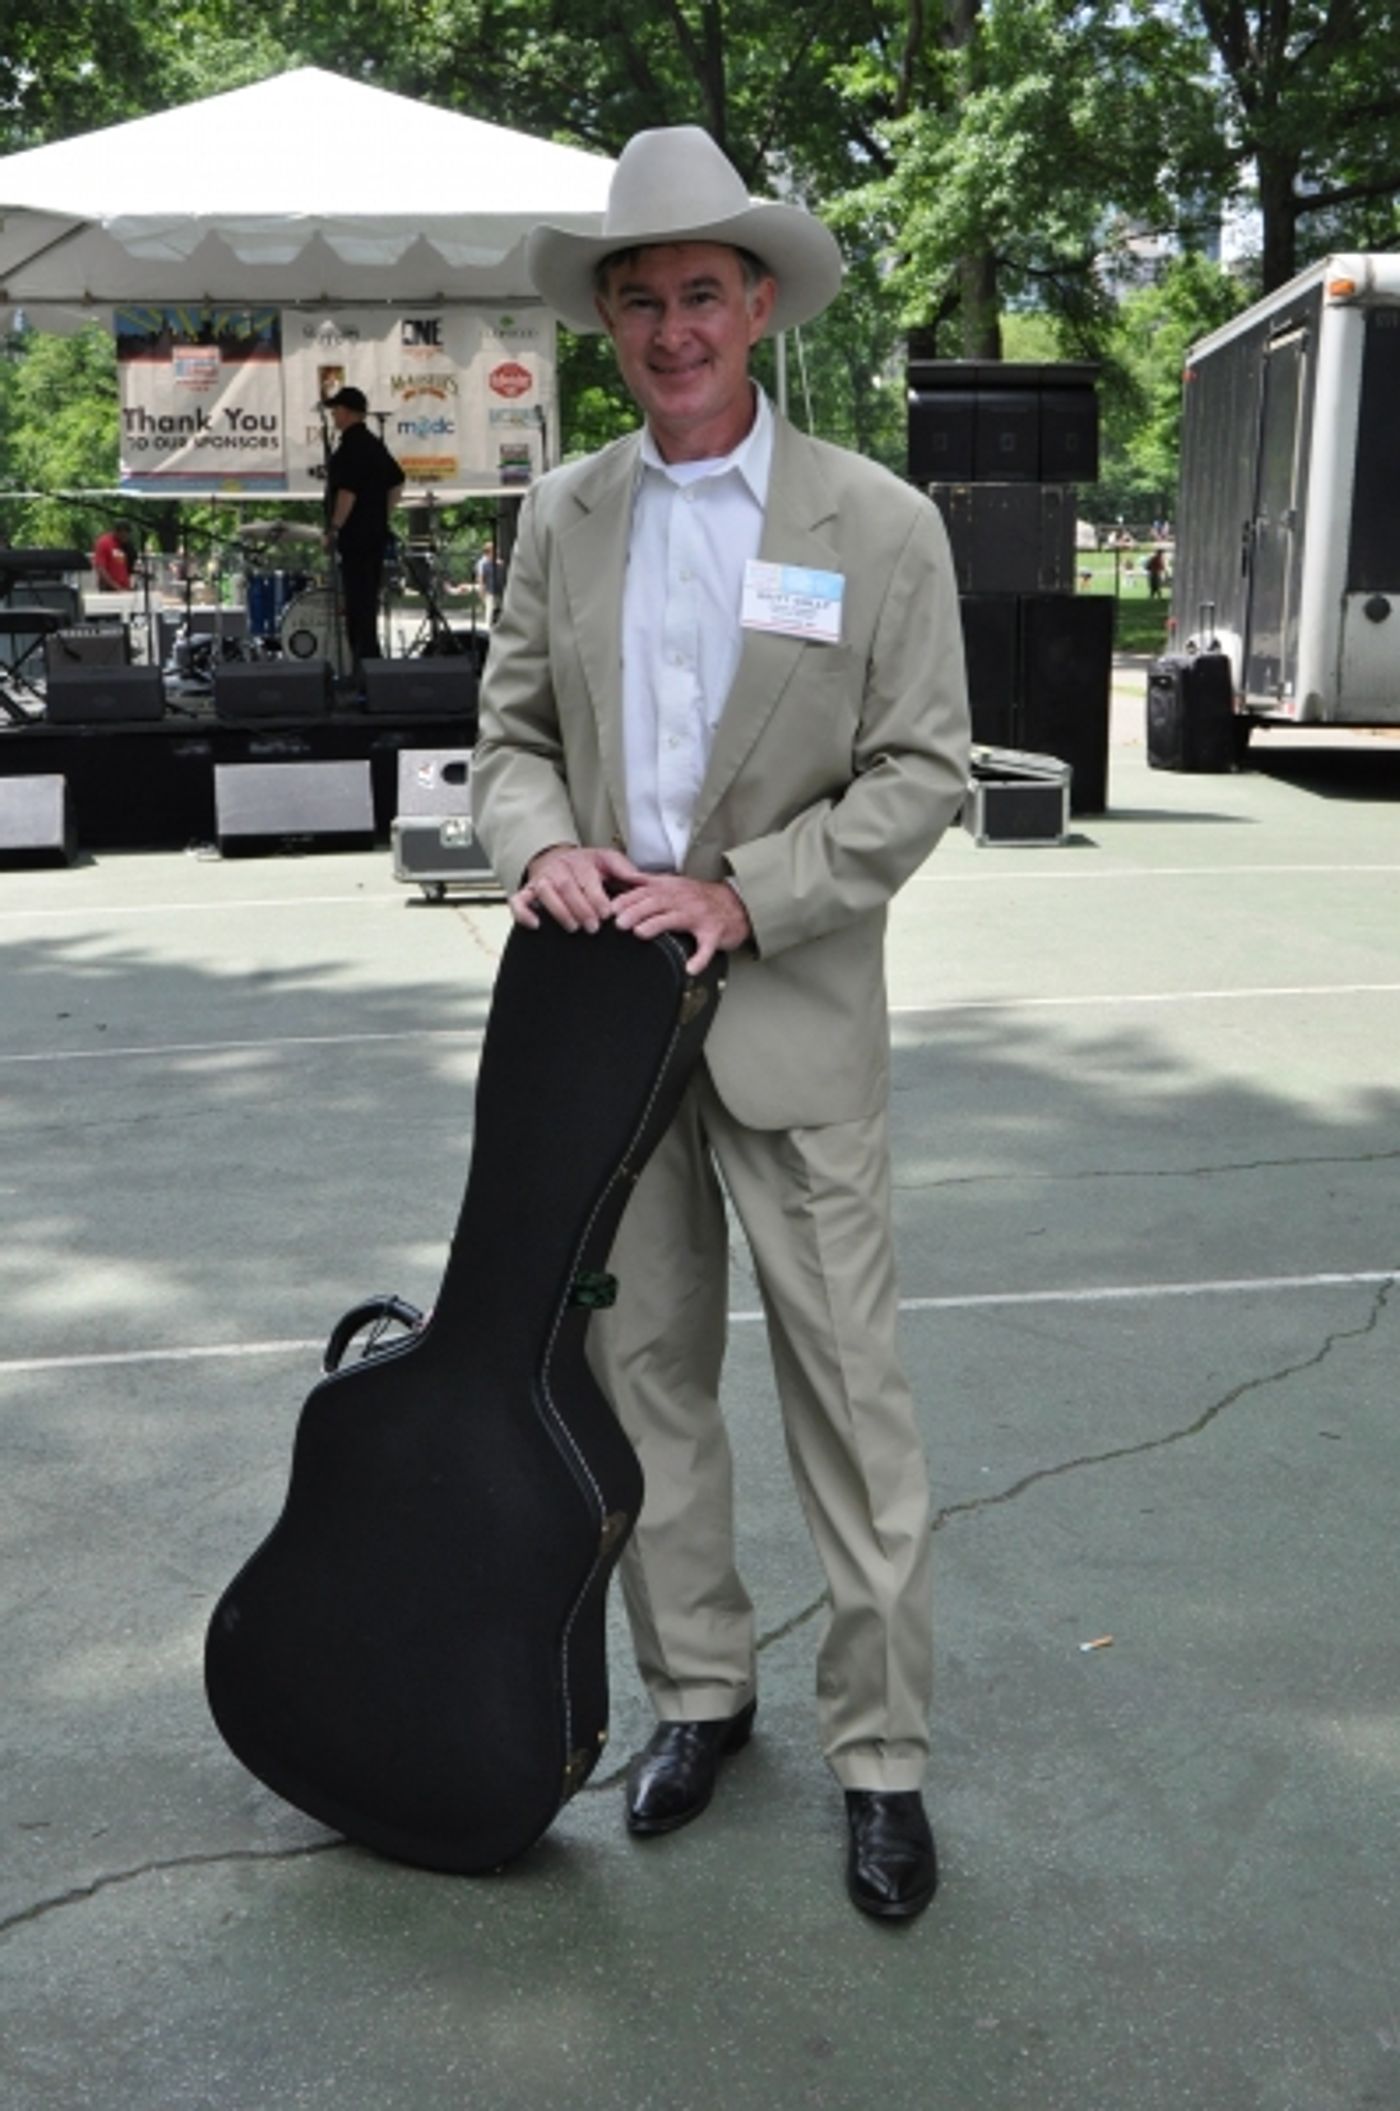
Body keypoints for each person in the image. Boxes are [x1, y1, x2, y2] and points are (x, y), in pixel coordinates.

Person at [471, 126, 970, 1921]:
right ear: (608, 321)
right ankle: (699, 1693)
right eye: (640, 298)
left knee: (849, 1396)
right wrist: (543, 851)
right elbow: (510, 739)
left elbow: (924, 776)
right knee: (644, 1379)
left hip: (791, 1023)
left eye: (702, 293)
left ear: (758, 305)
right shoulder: (563, 512)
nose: (673, 326)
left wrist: (749, 891)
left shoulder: (877, 523)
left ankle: (883, 1756)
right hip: (608, 1042)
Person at [322, 386, 404, 671]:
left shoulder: (351, 447)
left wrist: (334, 528)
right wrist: (382, 514)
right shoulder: (373, 443)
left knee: (357, 605)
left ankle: (364, 667)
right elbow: (397, 481)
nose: (333, 416)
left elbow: (348, 492)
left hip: (355, 535)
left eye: (336, 410)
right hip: (374, 533)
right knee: (367, 602)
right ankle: (368, 666)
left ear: (347, 412)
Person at [92, 523, 137, 590]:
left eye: (128, 534)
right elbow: (101, 568)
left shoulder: (125, 545)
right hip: (109, 588)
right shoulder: (104, 543)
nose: (126, 537)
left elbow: (127, 567)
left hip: (125, 587)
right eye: (124, 534)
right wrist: (115, 586)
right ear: (117, 532)